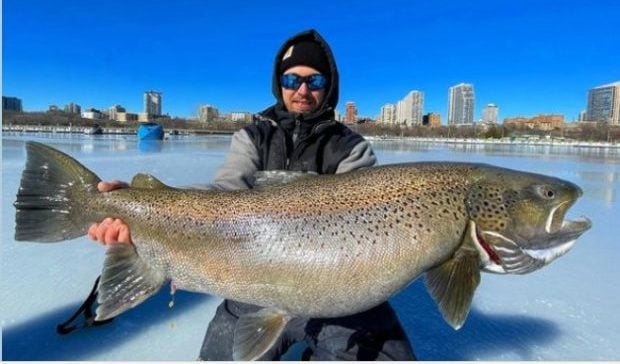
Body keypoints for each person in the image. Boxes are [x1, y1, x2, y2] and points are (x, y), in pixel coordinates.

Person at [87, 29, 416, 361]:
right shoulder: (253, 137)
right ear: (279, 84)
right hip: (253, 282)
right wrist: (137, 203)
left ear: (328, 86)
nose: (302, 90)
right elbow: (224, 192)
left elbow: (364, 212)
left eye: (314, 81)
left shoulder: (351, 147)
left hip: (336, 291)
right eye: (292, 80)